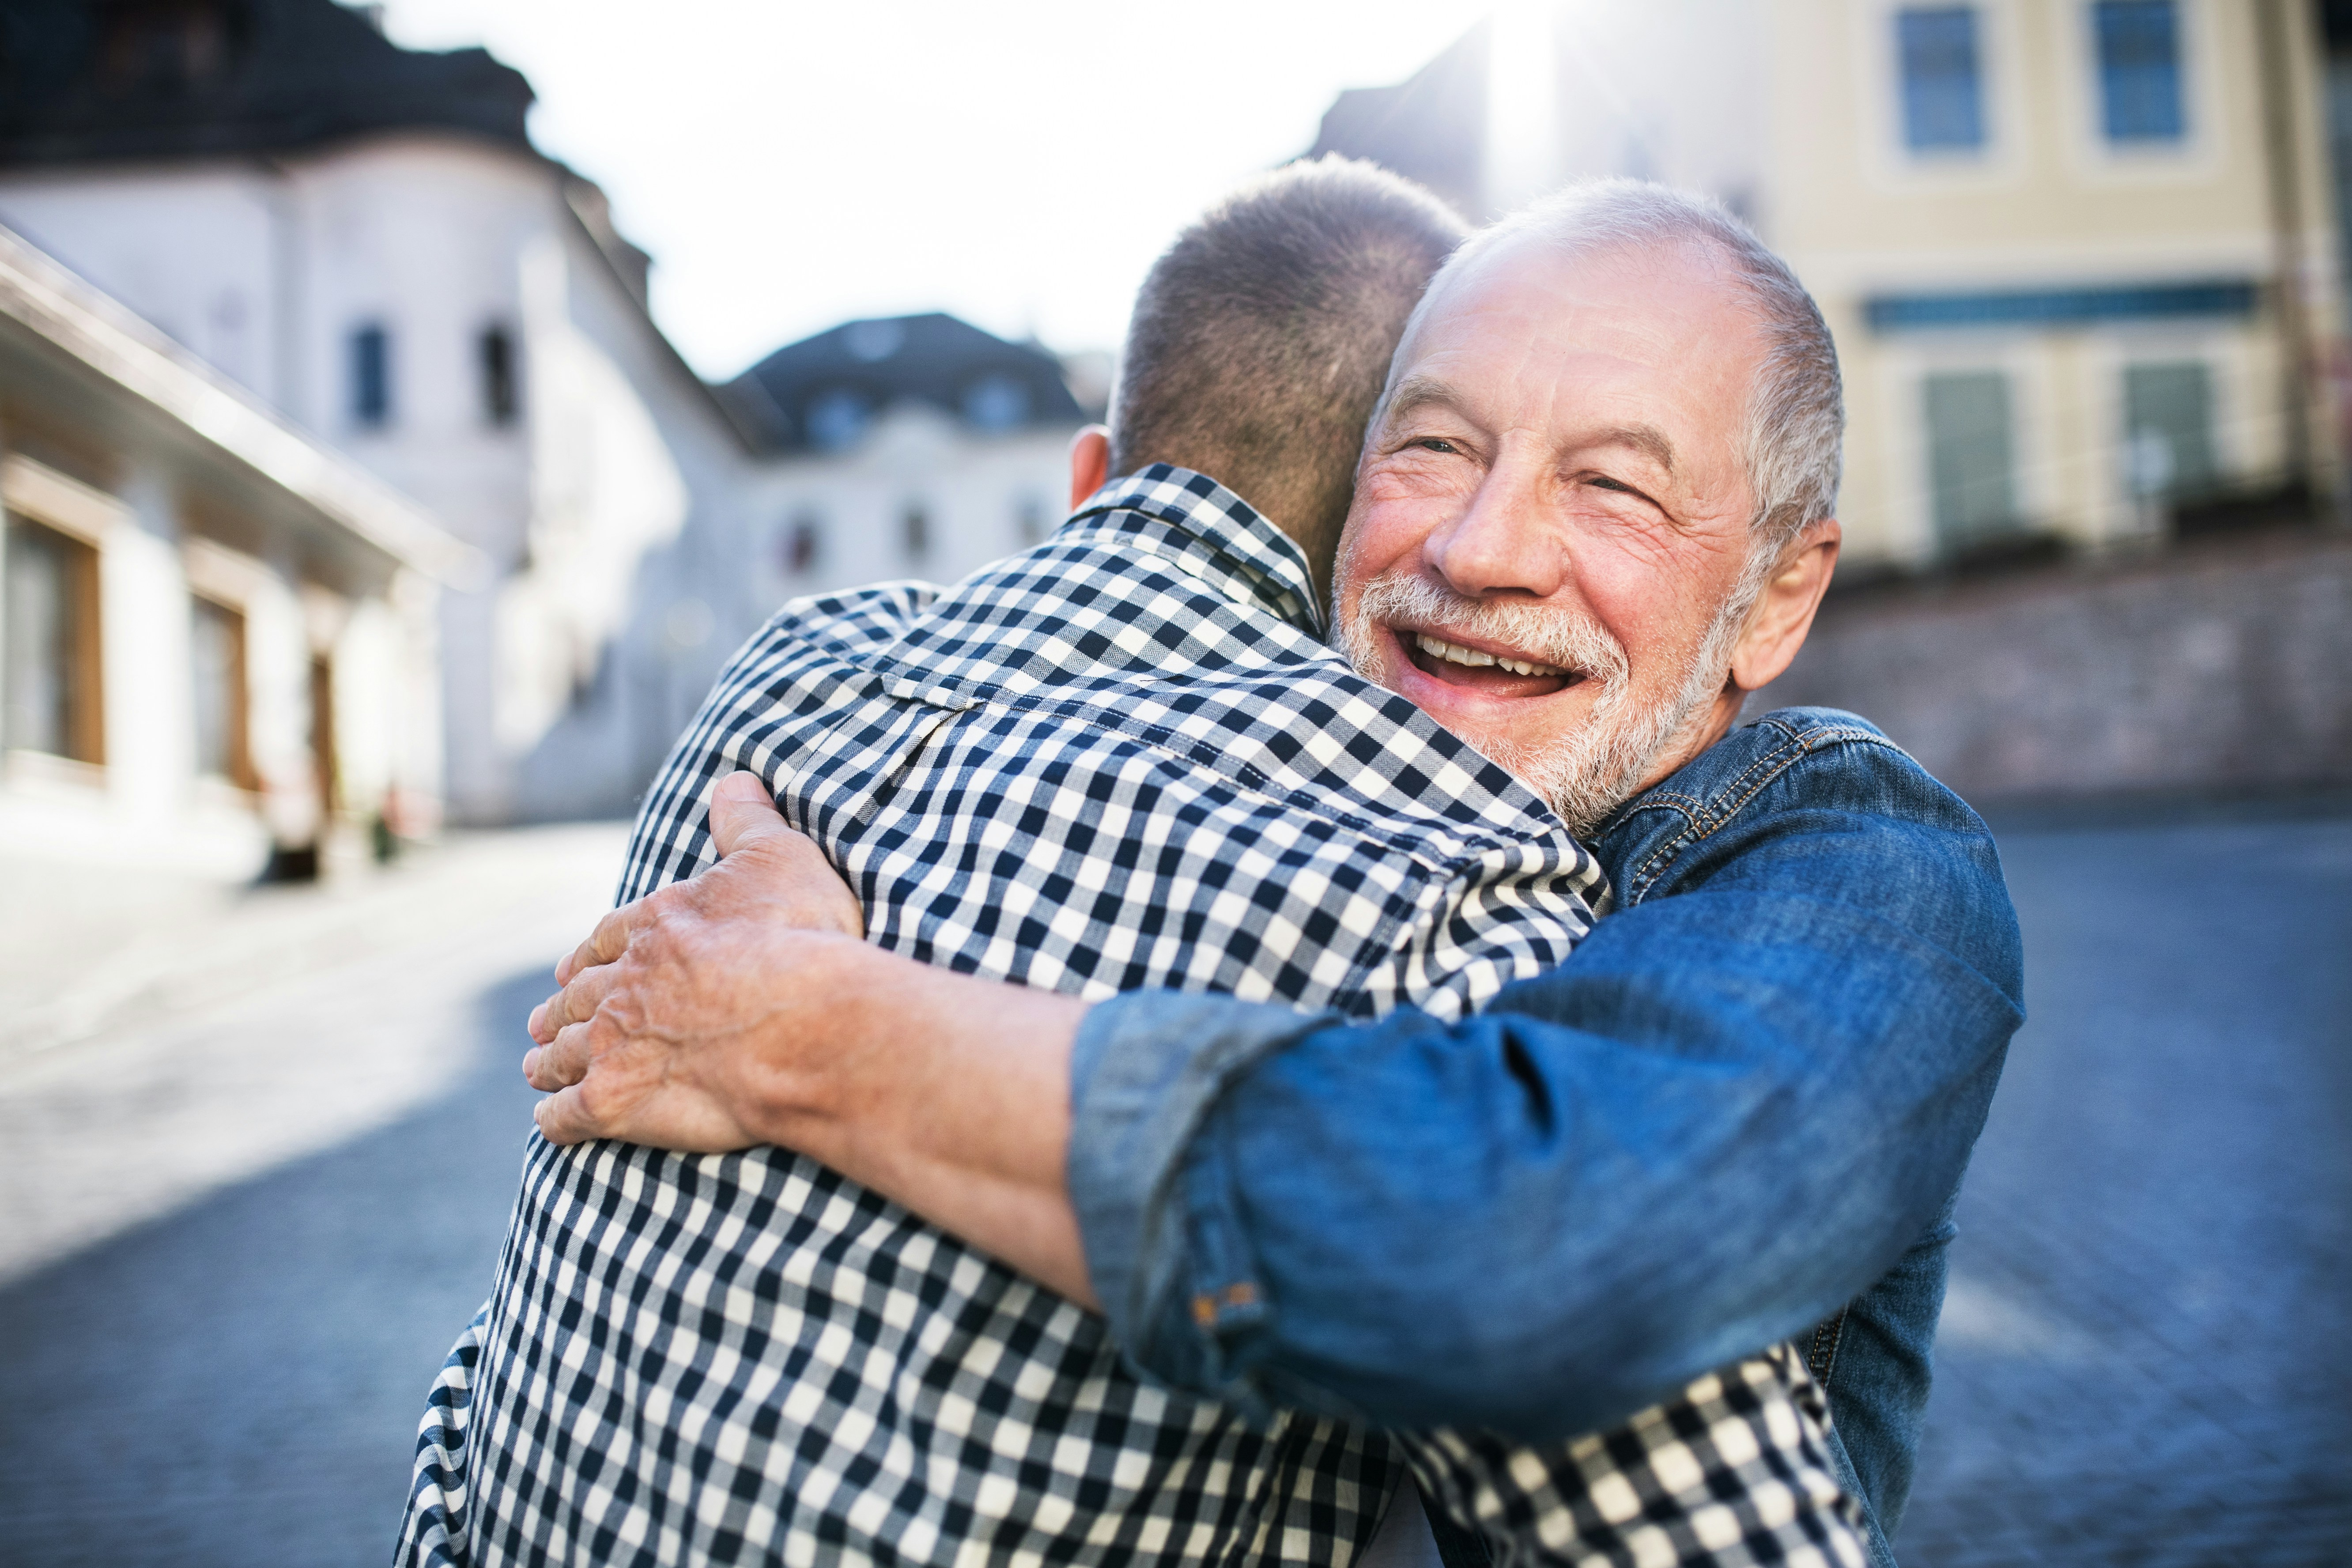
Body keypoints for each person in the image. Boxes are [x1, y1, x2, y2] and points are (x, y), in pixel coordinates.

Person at [514, 176, 2025, 1568]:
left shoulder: (1859, 859)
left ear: (1778, 594)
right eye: (1432, 444)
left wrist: (806, 1026)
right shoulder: (1315, 826)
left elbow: (1539, 1244)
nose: (1486, 546)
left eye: (1613, 486)